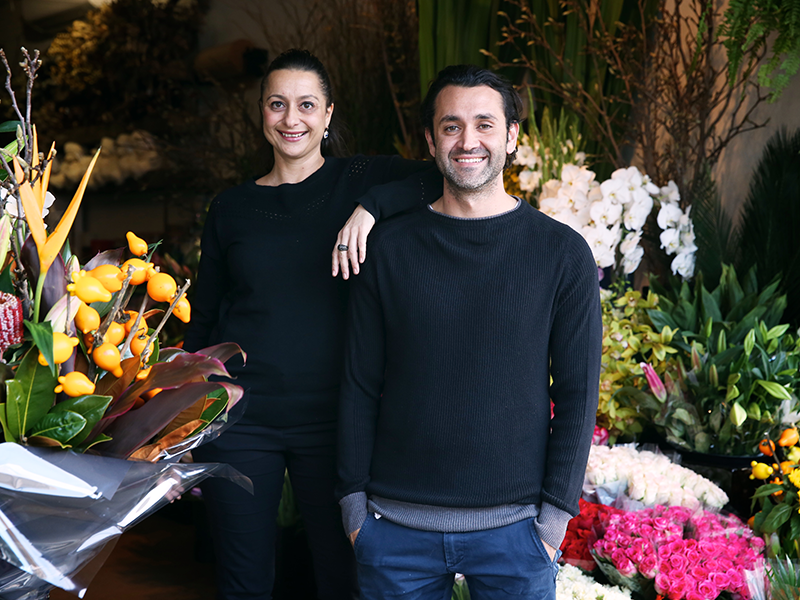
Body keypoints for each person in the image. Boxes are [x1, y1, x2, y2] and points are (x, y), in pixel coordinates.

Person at [337, 64, 602, 600]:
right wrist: (354, 509)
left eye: (484, 124)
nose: (468, 141)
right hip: (395, 529)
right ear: (430, 140)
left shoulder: (562, 254)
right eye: (451, 126)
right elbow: (358, 383)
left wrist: (554, 521)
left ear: (512, 137)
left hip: (516, 534)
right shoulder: (388, 250)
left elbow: (578, 395)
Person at [183, 48, 440, 600]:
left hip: (337, 420)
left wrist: (370, 207)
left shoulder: (360, 178)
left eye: (306, 105)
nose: (291, 119)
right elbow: (205, 319)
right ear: (262, 112)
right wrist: (185, 419)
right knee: (242, 582)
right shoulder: (231, 207)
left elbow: (437, 177)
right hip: (241, 419)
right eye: (277, 104)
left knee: (345, 576)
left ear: (328, 114)